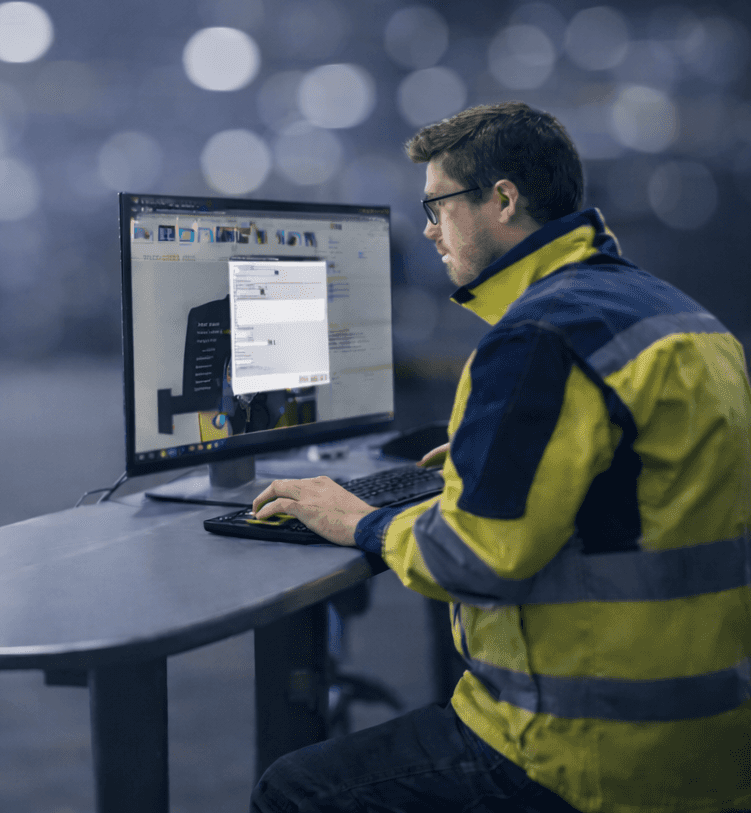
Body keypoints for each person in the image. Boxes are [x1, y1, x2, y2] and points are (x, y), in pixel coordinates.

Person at [247, 101, 751, 813]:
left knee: (292, 790)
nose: (428, 229)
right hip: (714, 739)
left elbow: (476, 561)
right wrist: (506, 455)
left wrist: (359, 519)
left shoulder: (539, 334)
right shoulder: (681, 318)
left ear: (503, 199)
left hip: (590, 750)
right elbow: (646, 484)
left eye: (438, 205)